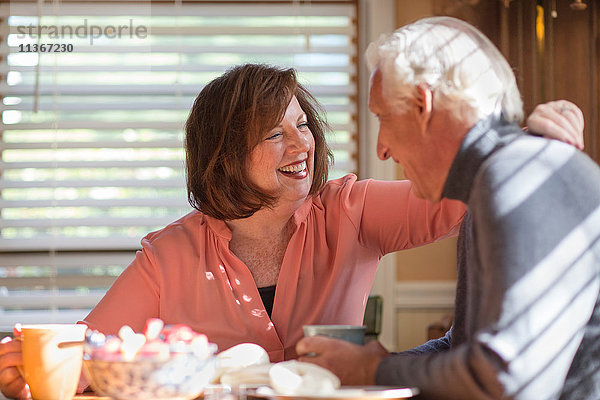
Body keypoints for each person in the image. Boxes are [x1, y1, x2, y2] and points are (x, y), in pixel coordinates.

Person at [0, 63, 584, 400]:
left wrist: (529, 143)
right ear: (226, 152)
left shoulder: (349, 209)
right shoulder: (169, 255)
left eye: (302, 125)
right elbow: (87, 353)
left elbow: (463, 192)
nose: (303, 145)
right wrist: (19, 370)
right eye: (275, 134)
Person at [296, 17, 599, 400]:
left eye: (382, 118)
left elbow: (504, 377)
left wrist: (373, 369)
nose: (382, 149)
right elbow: (462, 347)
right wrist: (366, 369)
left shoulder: (517, 177)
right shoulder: (491, 182)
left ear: (423, 105)